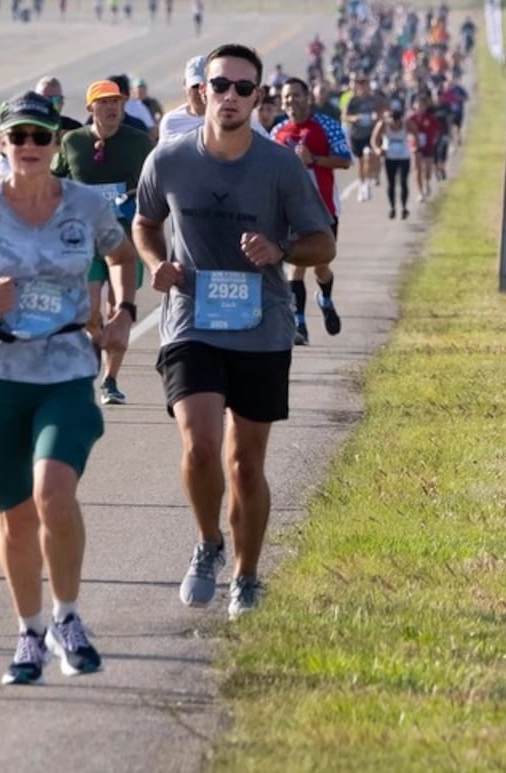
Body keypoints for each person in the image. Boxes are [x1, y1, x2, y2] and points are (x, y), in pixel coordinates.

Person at [0, 92, 137, 685]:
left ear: (55, 142)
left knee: (54, 494)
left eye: (41, 136)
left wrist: (123, 310)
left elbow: (122, 253)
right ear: (2, 143)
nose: (31, 147)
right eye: (19, 136)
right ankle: (29, 631)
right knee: (16, 518)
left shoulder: (85, 205)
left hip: (67, 367)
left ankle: (69, 619)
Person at [133, 44, 336, 619]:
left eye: (243, 89)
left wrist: (281, 249)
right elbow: (145, 222)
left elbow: (323, 242)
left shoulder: (279, 166)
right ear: (202, 91)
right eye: (220, 85)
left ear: (258, 97)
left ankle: (247, 574)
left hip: (260, 324)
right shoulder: (169, 159)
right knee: (199, 447)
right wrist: (154, 263)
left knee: (245, 464)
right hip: (191, 320)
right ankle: (208, 545)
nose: (229, 97)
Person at [53, 80, 154, 405]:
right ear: (90, 109)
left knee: (119, 311)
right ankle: (95, 343)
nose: (112, 108)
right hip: (83, 244)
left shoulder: (138, 142)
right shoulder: (73, 142)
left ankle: (110, 380)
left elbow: (156, 183)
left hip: (124, 243)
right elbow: (56, 182)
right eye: (104, 102)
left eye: (117, 102)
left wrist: (139, 197)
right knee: (89, 312)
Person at [271, 78, 351, 345]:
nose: (291, 101)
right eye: (286, 97)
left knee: (321, 268)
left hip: (324, 211)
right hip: (290, 213)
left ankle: (325, 299)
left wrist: (313, 160)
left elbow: (345, 160)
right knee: (295, 268)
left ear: (307, 98)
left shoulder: (325, 125)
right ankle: (300, 324)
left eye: (296, 95)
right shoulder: (278, 132)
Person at [373, 104, 414, 219]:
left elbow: (415, 132)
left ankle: (404, 207)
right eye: (393, 122)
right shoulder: (383, 124)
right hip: (389, 156)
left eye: (397, 121)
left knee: (403, 182)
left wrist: (415, 146)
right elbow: (374, 138)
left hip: (404, 156)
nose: (395, 124)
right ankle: (392, 207)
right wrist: (377, 149)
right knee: (391, 183)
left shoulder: (407, 124)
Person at [158, 55, 207, 142]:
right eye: (195, 86)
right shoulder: (170, 122)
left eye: (204, 86)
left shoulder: (224, 117)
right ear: (184, 84)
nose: (200, 91)